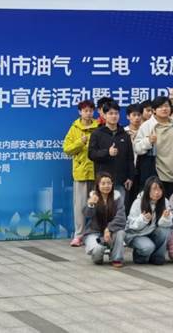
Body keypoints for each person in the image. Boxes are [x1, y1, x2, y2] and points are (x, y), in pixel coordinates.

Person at [134, 96, 173, 198]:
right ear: (154, 110)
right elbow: (137, 148)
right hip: (155, 174)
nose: (164, 109)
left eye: (167, 106)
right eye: (160, 107)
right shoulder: (147, 126)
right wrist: (148, 141)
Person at [62, 100, 99, 246]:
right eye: (85, 111)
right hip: (81, 173)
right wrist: (80, 142)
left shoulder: (99, 127)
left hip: (97, 173)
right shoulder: (74, 128)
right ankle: (79, 235)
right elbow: (67, 149)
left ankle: (96, 233)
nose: (88, 113)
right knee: (80, 206)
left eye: (90, 111)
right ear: (80, 112)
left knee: (98, 204)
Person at [88, 101, 135, 205]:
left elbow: (130, 158)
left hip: (121, 181)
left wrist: (130, 177)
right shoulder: (97, 133)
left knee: (120, 209)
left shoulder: (124, 135)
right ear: (104, 115)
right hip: (103, 182)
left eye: (116, 113)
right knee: (102, 209)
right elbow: (91, 154)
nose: (114, 116)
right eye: (110, 113)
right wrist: (107, 152)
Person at [125, 176, 172, 265]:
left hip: (152, 232)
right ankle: (139, 256)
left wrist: (165, 218)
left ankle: (157, 256)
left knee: (165, 231)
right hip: (137, 234)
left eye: (160, 189)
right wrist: (143, 219)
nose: (157, 192)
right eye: (154, 189)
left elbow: (168, 224)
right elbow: (131, 225)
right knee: (148, 247)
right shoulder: (138, 202)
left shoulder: (165, 202)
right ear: (147, 190)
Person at [82, 172, 126, 267]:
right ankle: (99, 252)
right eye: (103, 183)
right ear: (98, 185)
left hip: (112, 231)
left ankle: (116, 258)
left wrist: (108, 229)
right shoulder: (93, 197)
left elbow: (121, 218)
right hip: (94, 232)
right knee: (98, 253)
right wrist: (90, 204)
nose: (106, 186)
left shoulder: (117, 198)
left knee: (120, 232)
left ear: (112, 184)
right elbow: (87, 214)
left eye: (109, 183)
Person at [124, 103, 144, 213]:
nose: (137, 118)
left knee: (141, 200)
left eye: (139, 115)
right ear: (128, 116)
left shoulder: (146, 132)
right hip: (127, 172)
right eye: (134, 115)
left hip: (142, 170)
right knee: (127, 201)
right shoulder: (123, 132)